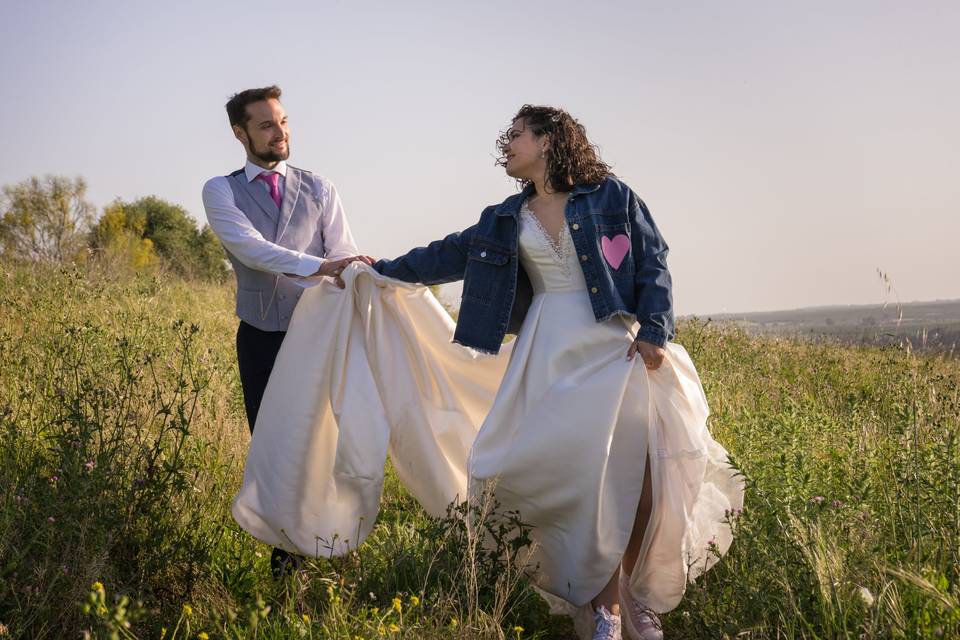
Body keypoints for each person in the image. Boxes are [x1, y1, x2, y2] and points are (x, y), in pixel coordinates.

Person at [370, 105, 742, 640]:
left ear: (548, 141)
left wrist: (656, 332)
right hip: (548, 351)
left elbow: (654, 260)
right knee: (582, 485)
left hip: (614, 349)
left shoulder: (613, 197)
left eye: (517, 135)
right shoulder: (505, 217)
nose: (507, 145)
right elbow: (446, 255)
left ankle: (636, 597)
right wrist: (378, 269)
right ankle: (605, 608)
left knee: (641, 483)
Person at [202, 85, 369, 577]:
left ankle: (333, 552)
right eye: (266, 125)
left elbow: (347, 256)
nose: (280, 133)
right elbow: (253, 250)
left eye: (284, 121)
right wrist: (324, 265)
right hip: (262, 339)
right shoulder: (221, 190)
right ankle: (286, 567)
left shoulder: (320, 187)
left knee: (325, 449)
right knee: (275, 451)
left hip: (320, 340)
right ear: (241, 133)